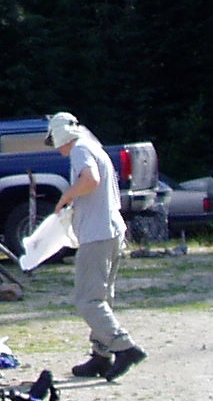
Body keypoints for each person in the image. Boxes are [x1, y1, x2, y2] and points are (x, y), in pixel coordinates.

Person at [46, 110, 146, 380]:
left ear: (60, 136)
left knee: (87, 300)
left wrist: (66, 196)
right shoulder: (94, 147)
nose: (58, 150)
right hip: (111, 231)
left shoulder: (79, 150)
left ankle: (124, 346)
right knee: (102, 297)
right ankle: (101, 356)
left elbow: (90, 180)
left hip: (97, 235)